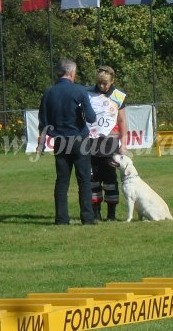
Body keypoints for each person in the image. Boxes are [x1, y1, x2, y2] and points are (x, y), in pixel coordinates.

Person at [38, 58, 97, 225]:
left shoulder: (48, 93)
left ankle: (61, 218)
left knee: (62, 180)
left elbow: (43, 121)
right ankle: (87, 218)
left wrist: (44, 140)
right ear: (71, 73)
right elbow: (91, 118)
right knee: (84, 179)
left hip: (60, 141)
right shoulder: (79, 91)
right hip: (79, 139)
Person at [87, 65, 128, 222]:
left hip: (110, 143)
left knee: (110, 179)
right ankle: (95, 213)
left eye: (105, 83)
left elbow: (122, 120)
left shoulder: (118, 96)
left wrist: (123, 144)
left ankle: (111, 214)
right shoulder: (88, 93)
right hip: (90, 143)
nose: (102, 86)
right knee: (93, 178)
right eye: (99, 83)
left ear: (112, 81)